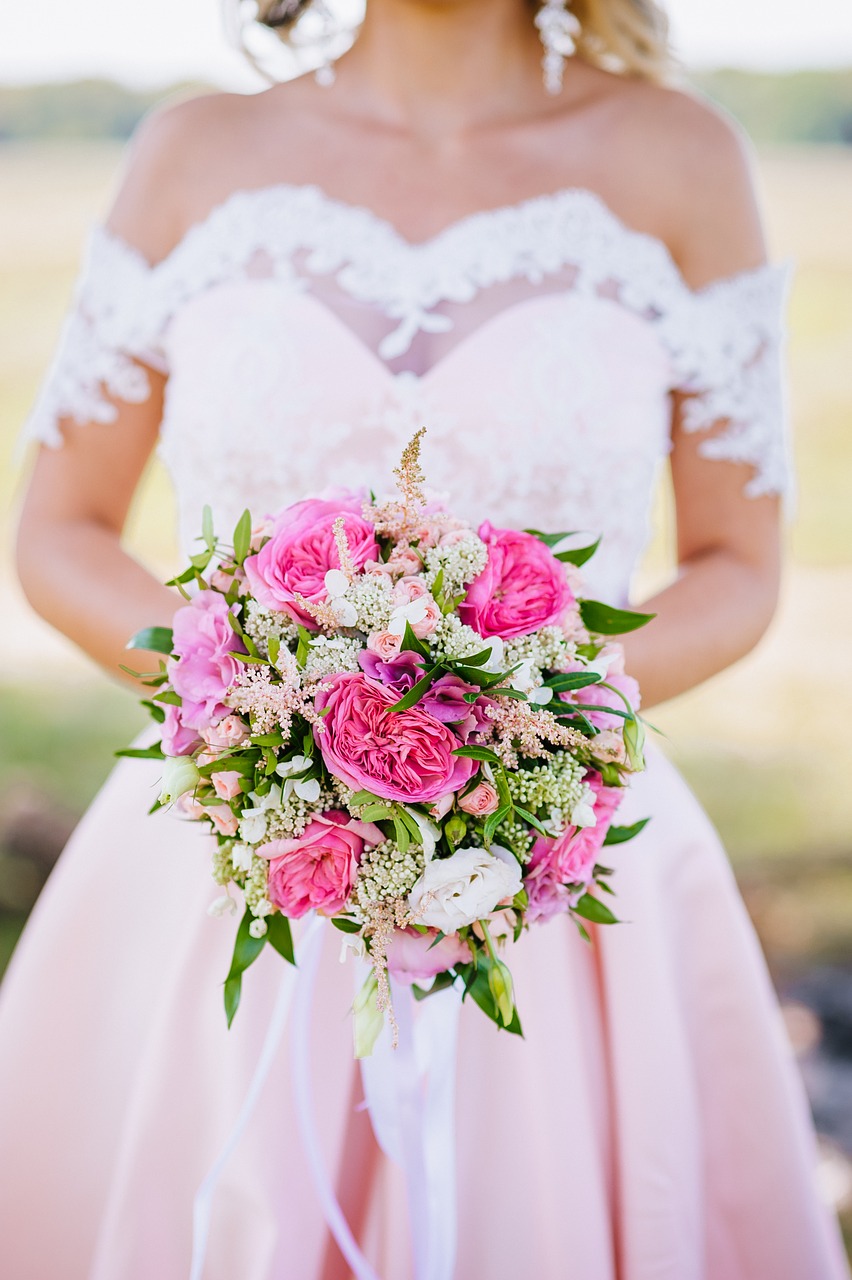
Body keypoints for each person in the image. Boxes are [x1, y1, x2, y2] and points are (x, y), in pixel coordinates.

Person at [0, 1, 847, 1277]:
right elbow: (60, 529)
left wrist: (525, 721)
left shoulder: (683, 158)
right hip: (221, 844)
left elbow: (738, 567)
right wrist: (269, 710)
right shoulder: (192, 153)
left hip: (561, 861)